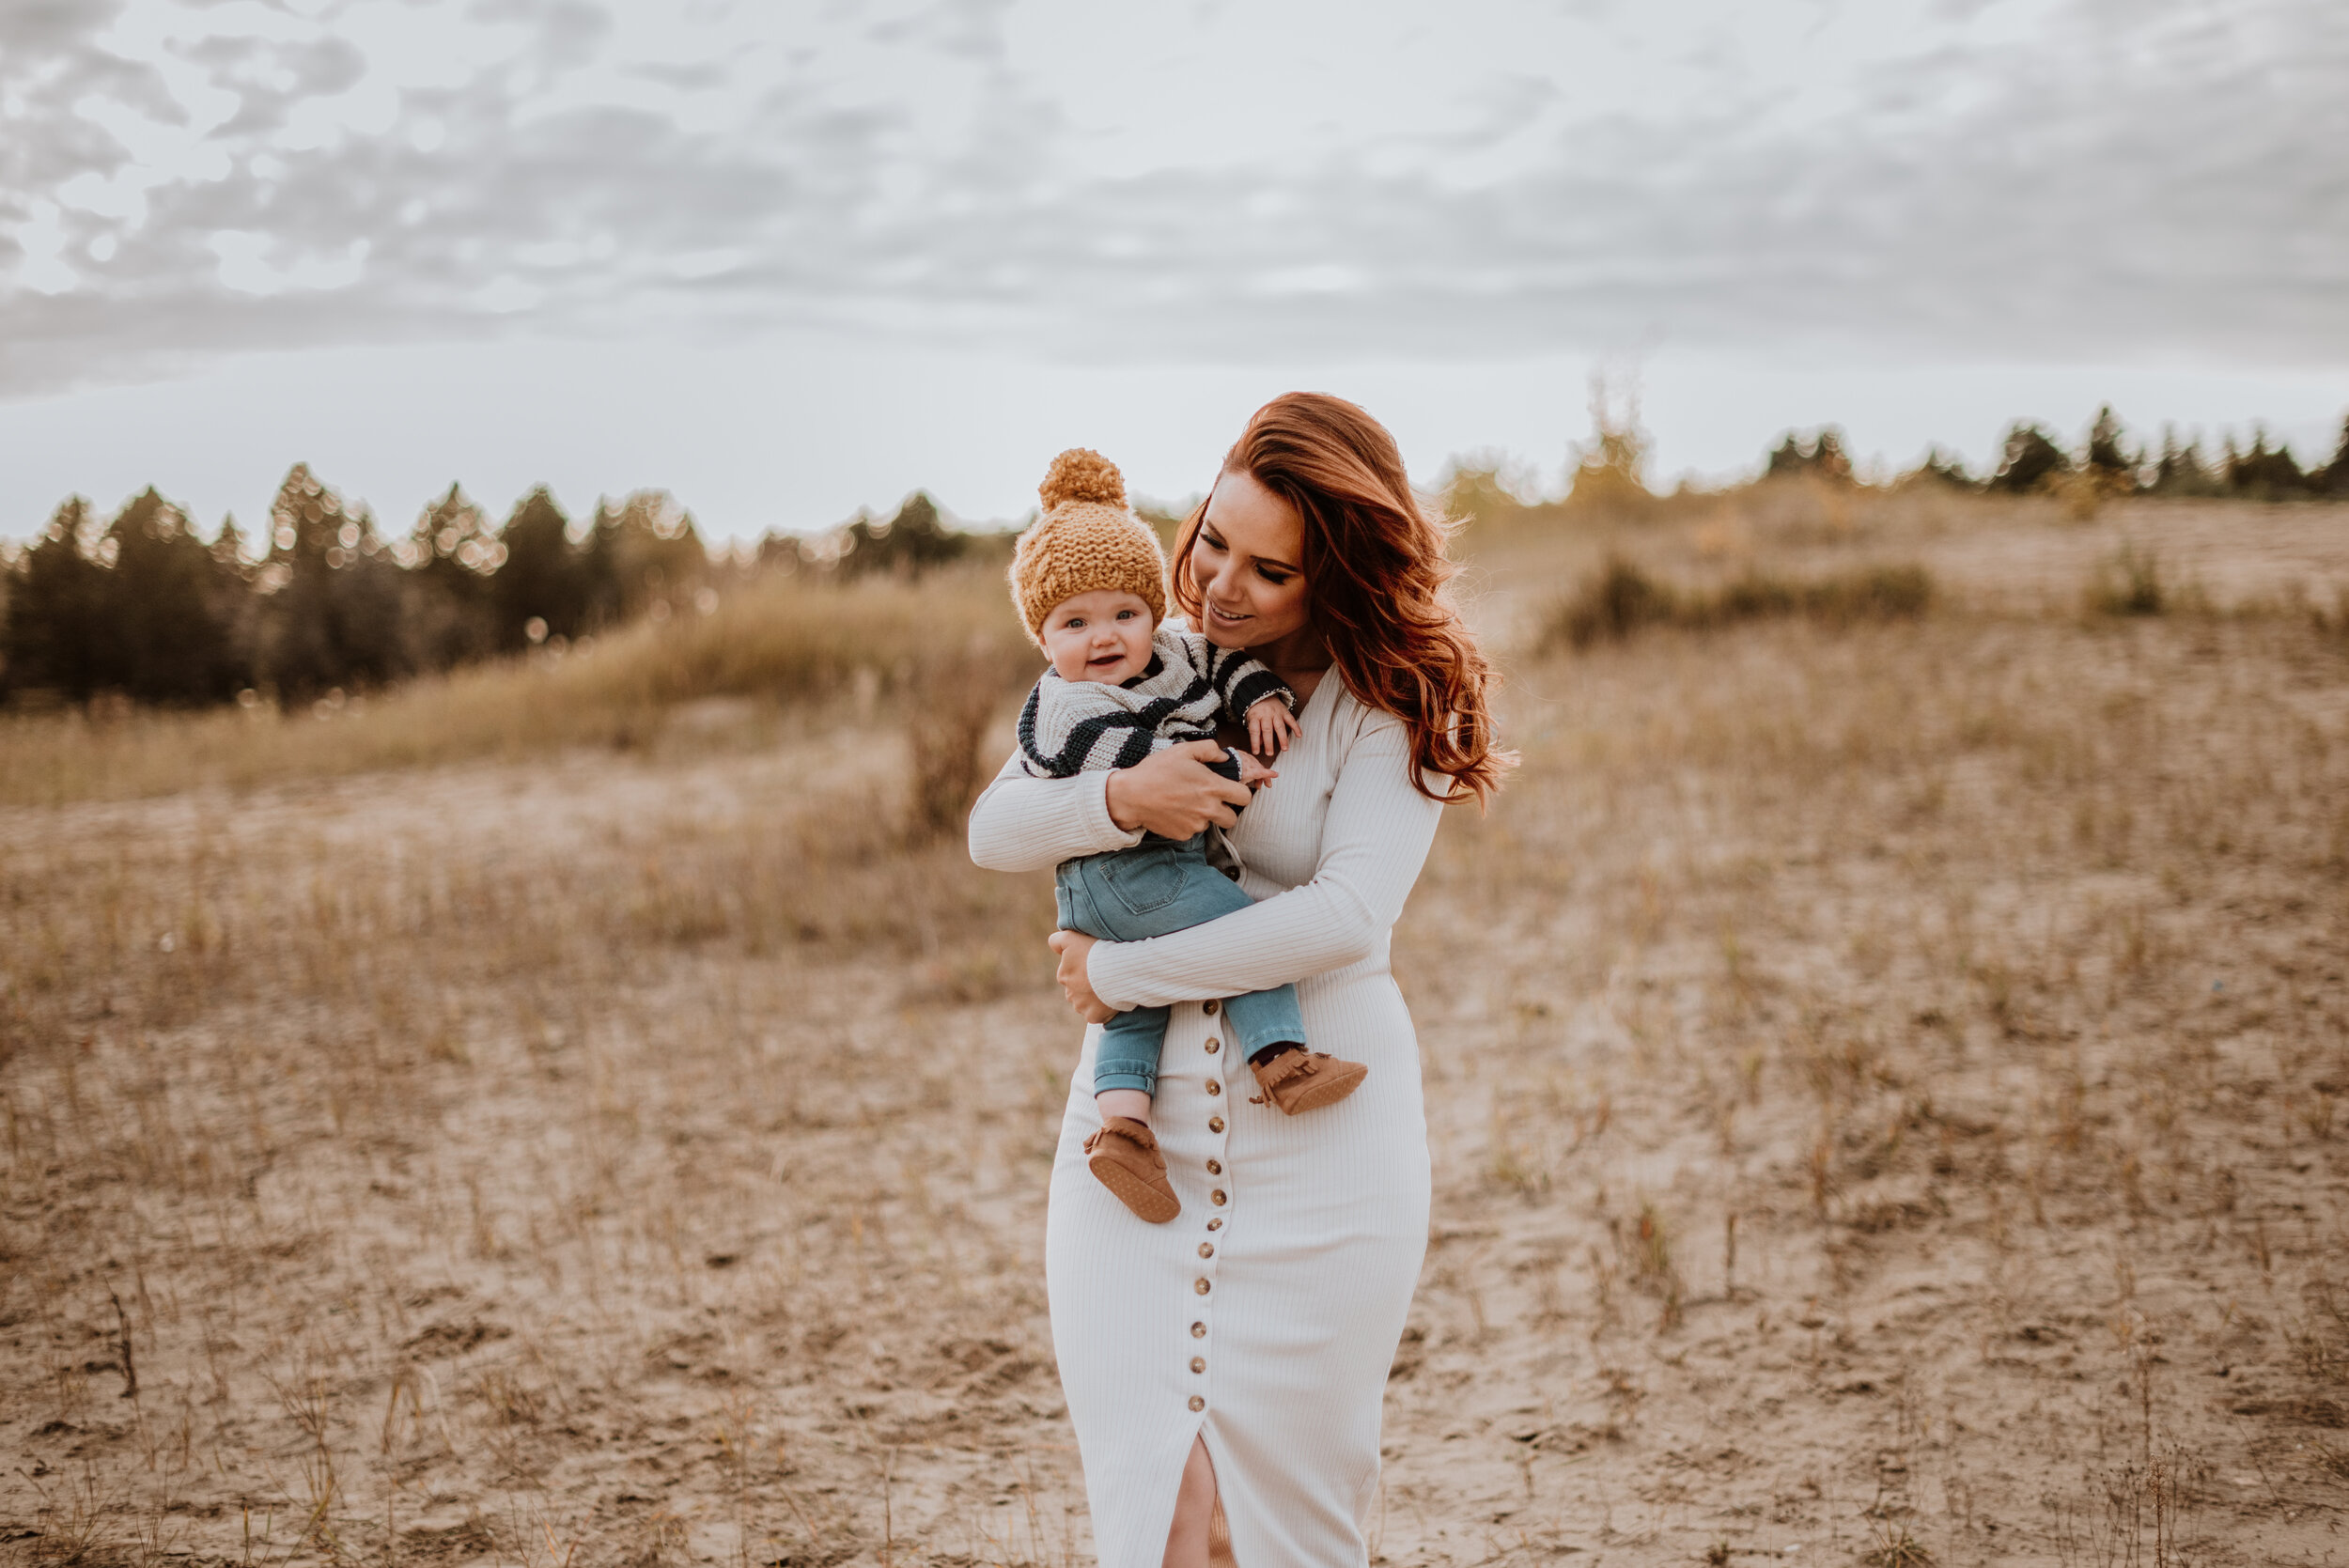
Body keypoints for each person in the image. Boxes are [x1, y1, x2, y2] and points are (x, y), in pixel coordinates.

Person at [969, 393, 1512, 1568]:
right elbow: (995, 828)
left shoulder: (1393, 703)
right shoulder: (1147, 663)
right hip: (1133, 1131)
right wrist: (1121, 799)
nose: (1217, 584)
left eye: (1269, 571)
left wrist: (1120, 966)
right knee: (1161, 1520)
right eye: (1212, 538)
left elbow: (1344, 914)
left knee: (1277, 1529)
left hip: (1327, 1142)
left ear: (1336, 580)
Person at [1003, 447, 1374, 1224]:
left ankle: (1124, 1129)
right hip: (1122, 875)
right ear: (1044, 638)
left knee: (1133, 1013)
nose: (1103, 638)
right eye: (1074, 623)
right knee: (1241, 924)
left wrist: (1265, 696)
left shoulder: (1171, 649)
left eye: (1123, 614)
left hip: (1135, 891)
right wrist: (1181, 773)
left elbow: (1220, 667)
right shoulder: (1067, 697)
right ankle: (1278, 1059)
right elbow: (1013, 811)